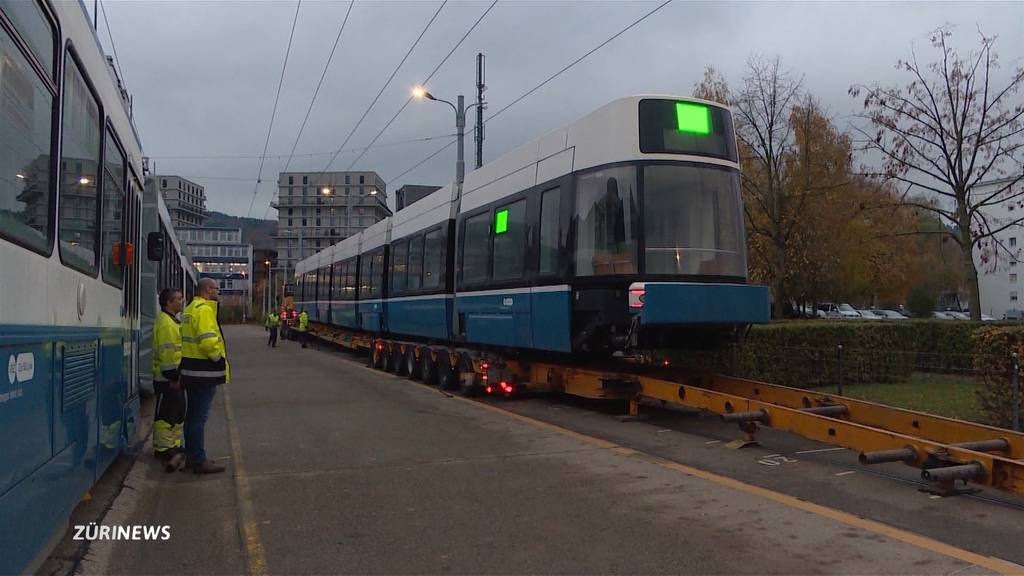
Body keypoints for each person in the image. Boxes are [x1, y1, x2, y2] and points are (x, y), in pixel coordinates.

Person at [180, 278, 228, 474]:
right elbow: (208, 341)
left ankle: (192, 457)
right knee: (199, 417)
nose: (217, 291)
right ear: (208, 290)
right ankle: (199, 460)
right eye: (216, 288)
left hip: (190, 371)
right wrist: (218, 359)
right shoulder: (205, 310)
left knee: (191, 417)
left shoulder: (189, 309)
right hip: (204, 372)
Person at [153, 288, 186, 472]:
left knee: (176, 413)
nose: (182, 301)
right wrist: (172, 376)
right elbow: (166, 353)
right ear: (168, 303)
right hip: (168, 379)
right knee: (166, 415)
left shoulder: (172, 321)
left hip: (173, 377)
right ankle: (163, 448)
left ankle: (172, 445)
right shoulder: (166, 323)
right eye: (178, 299)